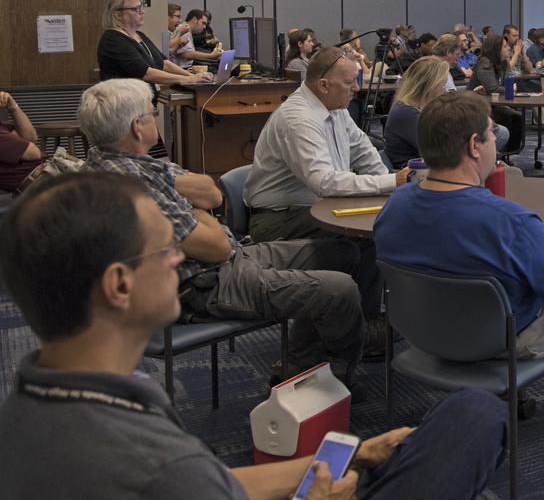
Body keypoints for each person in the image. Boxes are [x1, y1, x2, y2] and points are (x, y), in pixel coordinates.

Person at [0, 172, 507, 499]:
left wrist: (352, 455)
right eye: (165, 250)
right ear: (119, 285)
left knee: (447, 427)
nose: (180, 257)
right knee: (476, 412)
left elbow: (215, 487)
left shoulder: (38, 401)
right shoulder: (151, 463)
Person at [77, 78, 382, 381]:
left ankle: (301, 365)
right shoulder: (127, 186)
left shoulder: (133, 163)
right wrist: (198, 210)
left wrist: (182, 195)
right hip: (204, 285)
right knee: (339, 290)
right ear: (137, 127)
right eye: (150, 113)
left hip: (226, 260)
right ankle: (330, 366)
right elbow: (216, 245)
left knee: (347, 253)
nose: (154, 118)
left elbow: (211, 193)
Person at [376, 90, 544, 421]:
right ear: (474, 146)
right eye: (492, 132)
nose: (497, 140)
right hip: (509, 337)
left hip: (428, 332)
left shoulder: (394, 206)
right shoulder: (509, 220)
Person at [246, 47, 410, 241]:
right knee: (374, 232)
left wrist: (391, 188)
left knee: (391, 217)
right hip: (279, 219)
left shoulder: (335, 106)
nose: (357, 89)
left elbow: (362, 150)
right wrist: (392, 181)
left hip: (316, 206)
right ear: (324, 85)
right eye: (350, 83)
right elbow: (324, 182)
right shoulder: (300, 119)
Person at [97, 0, 211, 89]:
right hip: (123, 107)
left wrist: (191, 76)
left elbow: (164, 63)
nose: (142, 11)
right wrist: (188, 80)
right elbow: (146, 73)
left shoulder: (139, 35)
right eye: (136, 9)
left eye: (141, 7)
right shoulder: (113, 40)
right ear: (117, 15)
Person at [0, 90, 44, 194]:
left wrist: (13, 108)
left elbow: (31, 137)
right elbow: (34, 153)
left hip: (44, 176)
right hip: (41, 184)